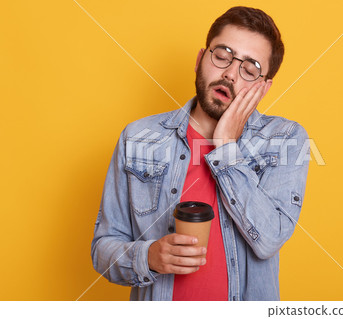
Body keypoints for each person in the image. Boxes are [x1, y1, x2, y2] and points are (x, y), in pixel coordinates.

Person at [91, 6, 309, 301]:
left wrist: (226, 148)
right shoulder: (138, 137)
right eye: (222, 55)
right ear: (199, 59)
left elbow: (269, 239)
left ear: (263, 88)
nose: (230, 74)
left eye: (250, 68)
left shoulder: (285, 140)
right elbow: (103, 248)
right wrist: (148, 257)